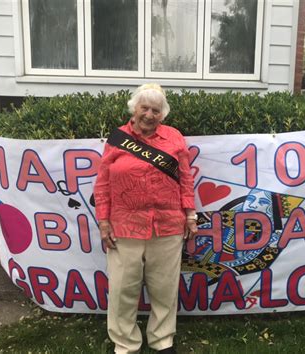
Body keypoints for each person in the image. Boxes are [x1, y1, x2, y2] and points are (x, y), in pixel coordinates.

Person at [94, 83, 197, 354]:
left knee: (164, 288)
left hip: (167, 225)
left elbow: (185, 178)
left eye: (155, 110)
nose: (149, 115)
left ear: (162, 114)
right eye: (144, 108)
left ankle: (162, 340)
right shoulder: (117, 138)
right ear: (135, 109)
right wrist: (103, 222)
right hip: (124, 227)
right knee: (121, 289)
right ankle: (125, 343)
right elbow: (102, 183)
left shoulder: (174, 138)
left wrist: (190, 214)